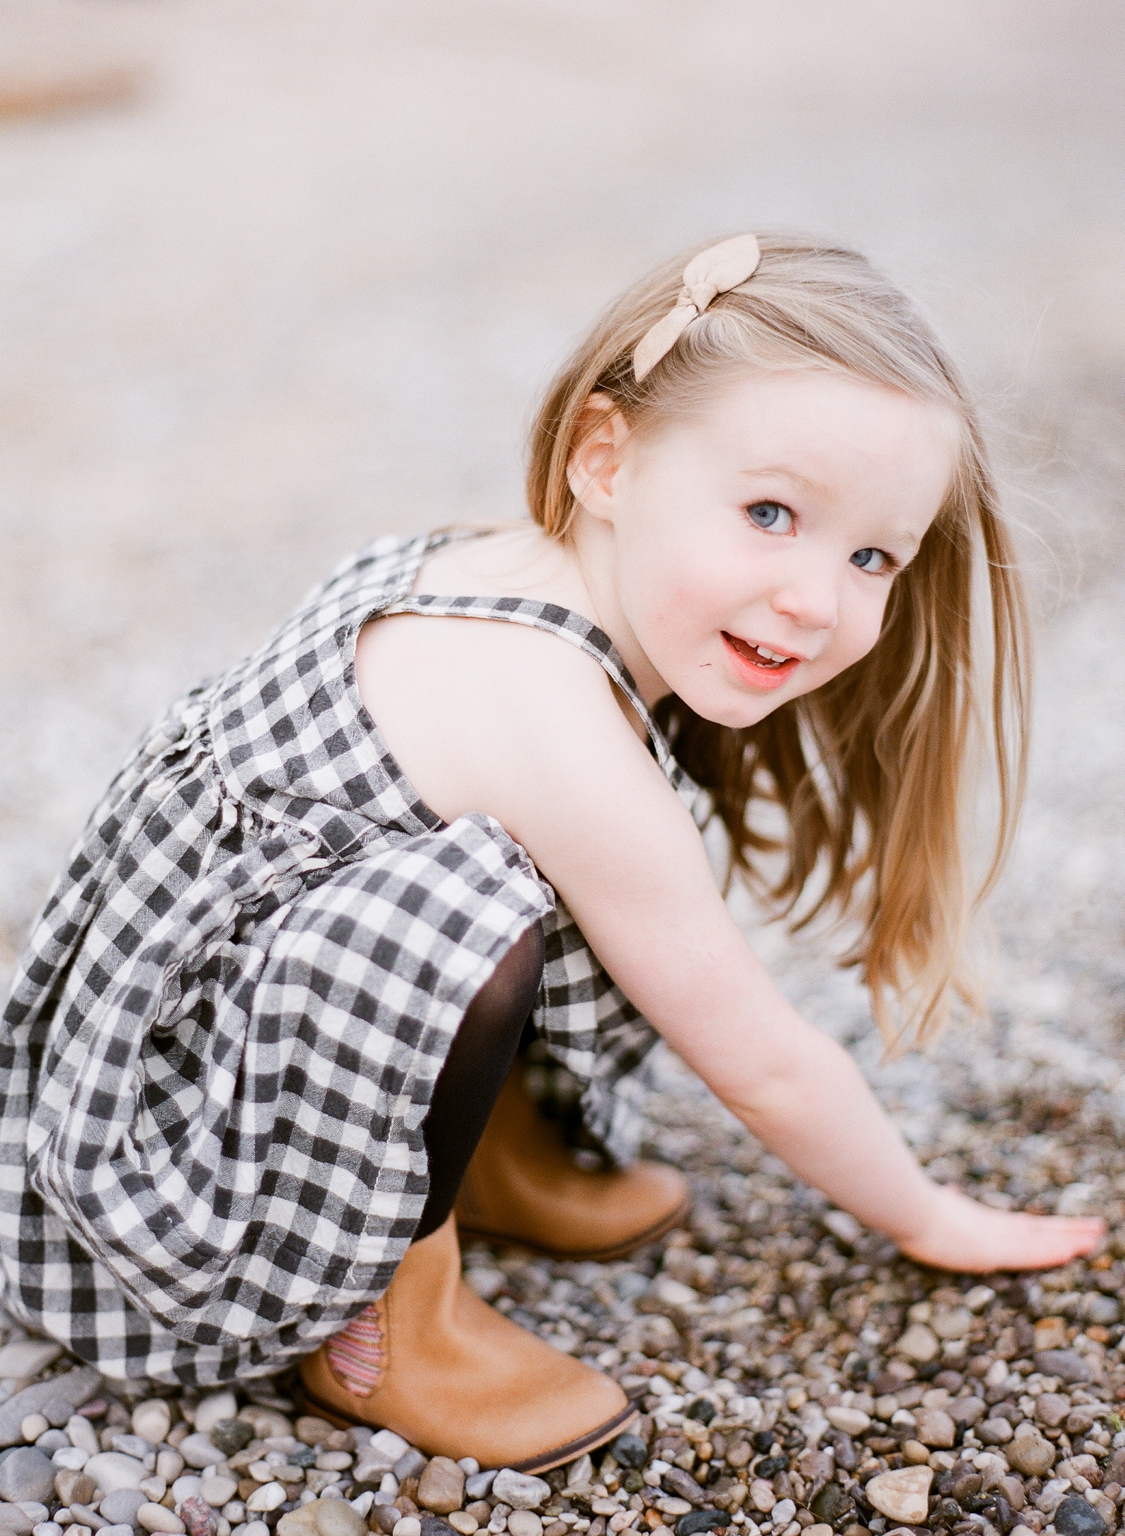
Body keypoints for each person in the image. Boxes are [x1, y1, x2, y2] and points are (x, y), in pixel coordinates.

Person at [0, 233, 1104, 1473]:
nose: (816, 598)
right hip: (177, 1109)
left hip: (252, 996)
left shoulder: (524, 563)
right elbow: (764, 1061)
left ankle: (494, 1157)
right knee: (463, 913)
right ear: (605, 458)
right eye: (770, 513)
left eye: (870, 557)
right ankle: (382, 1319)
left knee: (500, 887)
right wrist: (931, 1214)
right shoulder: (548, 714)